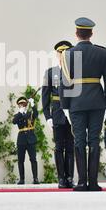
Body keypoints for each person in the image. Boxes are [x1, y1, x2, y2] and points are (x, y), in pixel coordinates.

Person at [60, 17, 106, 191]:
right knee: (95, 140)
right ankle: (93, 182)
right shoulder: (102, 52)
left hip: (76, 103)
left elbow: (65, 82)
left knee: (79, 141)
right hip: (97, 102)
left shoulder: (68, 54)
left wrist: (65, 106)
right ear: (91, 33)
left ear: (76, 34)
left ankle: (82, 182)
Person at [42, 40, 75, 189]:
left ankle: (70, 177)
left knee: (71, 147)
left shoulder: (76, 71)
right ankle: (61, 178)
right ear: (57, 54)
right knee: (58, 147)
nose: (63, 55)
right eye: (60, 52)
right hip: (57, 114)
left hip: (72, 115)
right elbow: (45, 97)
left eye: (66, 52)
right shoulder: (50, 72)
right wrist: (48, 117)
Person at [12, 97, 39, 185]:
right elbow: (14, 121)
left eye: (23, 104)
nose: (22, 105)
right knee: (20, 160)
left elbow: (36, 114)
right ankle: (22, 179)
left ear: (26, 104)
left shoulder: (30, 113)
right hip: (21, 140)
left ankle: (35, 178)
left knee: (33, 159)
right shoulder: (17, 115)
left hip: (31, 139)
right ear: (18, 106)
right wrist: (20, 112)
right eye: (20, 104)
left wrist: (33, 104)